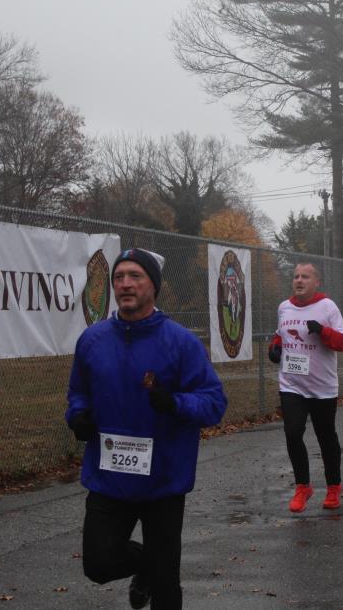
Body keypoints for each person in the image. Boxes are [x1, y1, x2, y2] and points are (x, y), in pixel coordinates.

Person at [65, 248, 228, 610]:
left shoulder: (181, 342)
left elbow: (214, 403)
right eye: (119, 277)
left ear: (154, 285)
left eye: (135, 276)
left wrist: (175, 403)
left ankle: (157, 573)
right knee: (98, 564)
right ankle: (147, 568)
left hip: (163, 480)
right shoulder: (92, 340)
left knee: (166, 588)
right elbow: (78, 392)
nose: (125, 284)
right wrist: (78, 416)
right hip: (109, 477)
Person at [267, 263, 343, 512]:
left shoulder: (327, 306)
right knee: (292, 433)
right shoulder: (284, 307)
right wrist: (274, 348)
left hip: (322, 387)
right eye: (296, 276)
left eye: (305, 276)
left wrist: (323, 331)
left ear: (316, 282)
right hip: (292, 385)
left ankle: (333, 487)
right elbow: (280, 335)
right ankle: (302, 486)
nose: (299, 280)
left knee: (326, 437)